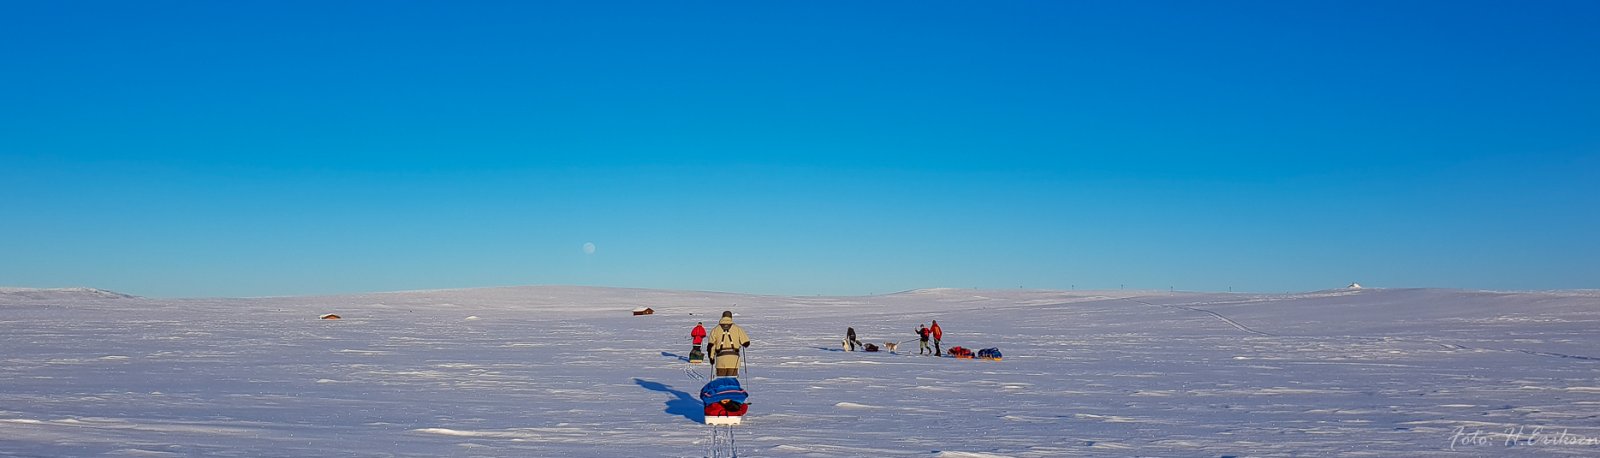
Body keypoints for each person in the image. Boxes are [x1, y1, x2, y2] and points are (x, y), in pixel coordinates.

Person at [706, 311, 751, 377]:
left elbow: (711, 346)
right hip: (734, 360)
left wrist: (711, 358)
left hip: (720, 360)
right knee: (731, 381)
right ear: (731, 317)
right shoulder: (737, 329)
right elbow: (746, 343)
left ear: (722, 317)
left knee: (721, 381)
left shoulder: (715, 329)